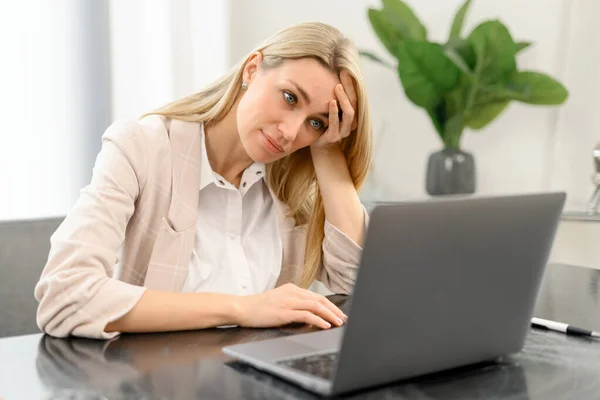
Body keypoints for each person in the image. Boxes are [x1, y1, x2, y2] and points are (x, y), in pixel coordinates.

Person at [34, 21, 373, 339]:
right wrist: (242, 308)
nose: (289, 132)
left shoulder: (290, 186)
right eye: (289, 98)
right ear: (252, 69)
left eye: (315, 122)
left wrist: (328, 150)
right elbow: (65, 294)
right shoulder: (141, 149)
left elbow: (362, 285)